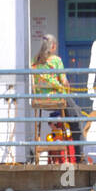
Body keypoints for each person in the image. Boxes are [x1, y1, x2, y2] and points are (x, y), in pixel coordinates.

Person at [32, 34, 77, 162]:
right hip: (56, 99)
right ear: (52, 46)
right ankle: (78, 156)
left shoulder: (34, 60)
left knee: (72, 112)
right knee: (76, 117)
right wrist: (67, 88)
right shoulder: (56, 60)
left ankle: (37, 156)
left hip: (39, 100)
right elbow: (64, 81)